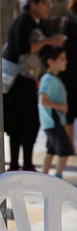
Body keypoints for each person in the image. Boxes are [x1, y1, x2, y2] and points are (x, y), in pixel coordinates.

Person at [3, 0, 66, 171]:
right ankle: (18, 164)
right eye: (45, 3)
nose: (49, 7)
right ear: (33, 4)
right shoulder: (23, 21)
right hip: (17, 80)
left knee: (26, 123)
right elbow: (22, 47)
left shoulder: (36, 23)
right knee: (23, 122)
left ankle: (24, 163)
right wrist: (48, 41)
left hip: (27, 79)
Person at [38, 47, 74, 179]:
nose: (66, 62)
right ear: (51, 62)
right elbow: (43, 100)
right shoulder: (48, 79)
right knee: (65, 151)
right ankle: (57, 178)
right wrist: (61, 107)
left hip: (53, 123)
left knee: (51, 151)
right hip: (54, 123)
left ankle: (43, 177)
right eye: (62, 59)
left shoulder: (53, 79)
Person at [60, 0, 77, 148]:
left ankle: (71, 146)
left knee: (69, 112)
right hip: (70, 73)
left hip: (68, 73)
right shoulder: (69, 22)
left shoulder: (67, 22)